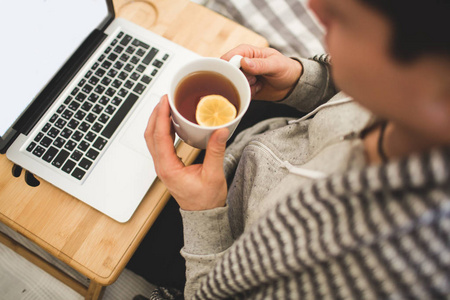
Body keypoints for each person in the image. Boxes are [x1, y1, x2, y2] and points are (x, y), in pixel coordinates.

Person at [144, 0, 450, 298]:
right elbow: (377, 89)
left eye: (344, 19)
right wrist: (301, 82)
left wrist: (202, 211)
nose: (314, 6)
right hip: (260, 139)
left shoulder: (373, 270)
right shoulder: (416, 105)